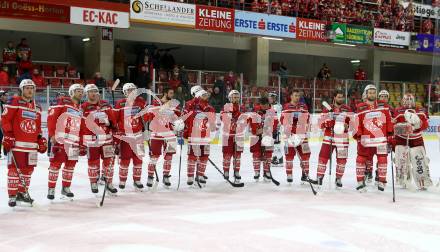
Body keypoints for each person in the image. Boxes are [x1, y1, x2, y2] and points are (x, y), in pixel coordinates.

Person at [2, 79, 47, 207]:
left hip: (32, 146)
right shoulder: (15, 102)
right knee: (14, 170)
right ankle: (12, 195)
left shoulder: (37, 107)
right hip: (17, 145)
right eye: (27, 88)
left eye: (32, 88)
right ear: (21, 89)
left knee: (28, 171)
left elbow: (37, 127)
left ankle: (22, 193)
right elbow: (5, 119)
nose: (29, 90)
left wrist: (40, 139)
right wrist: (8, 135)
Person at [46, 84, 84, 200]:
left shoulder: (79, 108)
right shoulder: (62, 101)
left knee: (70, 166)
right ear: (72, 92)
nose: (81, 93)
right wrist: (52, 134)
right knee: (55, 165)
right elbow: (52, 117)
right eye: (78, 91)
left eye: (82, 91)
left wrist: (81, 142)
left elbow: (81, 127)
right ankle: (51, 189)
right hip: (60, 140)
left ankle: (65, 188)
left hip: (74, 142)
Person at [354, 84, 393, 192]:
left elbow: (388, 120)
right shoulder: (360, 106)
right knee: (361, 159)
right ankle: (360, 181)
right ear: (366, 94)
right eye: (370, 92)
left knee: (382, 159)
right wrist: (359, 136)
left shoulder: (383, 105)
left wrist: (390, 134)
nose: (372, 94)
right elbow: (358, 122)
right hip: (366, 138)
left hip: (380, 138)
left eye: (374, 92)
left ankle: (381, 181)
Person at [80, 84, 118, 195]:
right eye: (91, 91)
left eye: (95, 91)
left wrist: (112, 124)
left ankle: (108, 182)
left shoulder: (105, 105)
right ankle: (93, 182)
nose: (94, 93)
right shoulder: (84, 107)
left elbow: (113, 120)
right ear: (87, 94)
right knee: (93, 162)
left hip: (106, 139)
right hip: (92, 140)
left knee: (108, 161)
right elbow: (81, 125)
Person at [311, 90, 352, 187]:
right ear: (334, 97)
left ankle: (338, 178)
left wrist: (348, 125)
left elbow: (353, 123)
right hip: (329, 137)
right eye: (339, 97)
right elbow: (320, 124)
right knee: (323, 157)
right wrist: (328, 123)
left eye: (342, 97)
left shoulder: (347, 109)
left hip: (342, 139)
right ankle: (319, 177)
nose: (341, 99)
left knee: (342, 159)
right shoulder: (327, 108)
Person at [145, 88, 183, 187]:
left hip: (170, 135)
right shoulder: (155, 103)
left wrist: (179, 123)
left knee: (169, 157)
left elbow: (178, 119)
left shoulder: (174, 105)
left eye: (173, 93)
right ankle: (150, 177)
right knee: (154, 157)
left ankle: (166, 176)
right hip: (157, 135)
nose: (172, 94)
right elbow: (148, 116)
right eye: (171, 92)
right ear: (165, 93)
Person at [393, 93, 432, 190]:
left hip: (416, 139)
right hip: (401, 139)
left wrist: (417, 125)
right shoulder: (397, 110)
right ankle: (403, 180)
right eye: (407, 100)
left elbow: (426, 125)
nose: (409, 102)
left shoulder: (422, 110)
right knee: (401, 160)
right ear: (403, 101)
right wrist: (404, 128)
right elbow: (393, 127)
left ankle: (422, 182)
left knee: (419, 160)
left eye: (411, 100)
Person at [114, 83, 147, 190]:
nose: (132, 92)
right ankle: (122, 180)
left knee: (139, 159)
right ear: (125, 92)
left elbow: (146, 117)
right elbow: (115, 119)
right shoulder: (120, 103)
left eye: (133, 89)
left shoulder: (141, 102)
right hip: (125, 136)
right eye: (129, 90)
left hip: (138, 136)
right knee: (125, 159)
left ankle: (137, 180)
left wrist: (145, 113)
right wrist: (116, 132)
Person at [183, 86, 216, 186]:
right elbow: (184, 117)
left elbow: (213, 124)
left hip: (205, 137)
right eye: (202, 94)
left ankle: (200, 174)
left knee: (204, 157)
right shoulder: (190, 104)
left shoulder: (210, 108)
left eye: (205, 94)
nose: (205, 95)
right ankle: (190, 176)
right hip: (194, 136)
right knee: (192, 157)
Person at [280, 90, 311, 183]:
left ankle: (305, 175)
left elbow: (307, 118)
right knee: (289, 155)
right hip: (290, 135)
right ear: (291, 96)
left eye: (298, 95)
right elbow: (283, 120)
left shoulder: (304, 106)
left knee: (306, 154)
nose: (297, 97)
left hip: (302, 135)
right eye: (295, 95)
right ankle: (289, 174)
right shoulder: (286, 106)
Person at [249, 96, 278, 181]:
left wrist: (265, 130)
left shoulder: (272, 111)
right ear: (260, 104)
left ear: (268, 104)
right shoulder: (255, 110)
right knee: (256, 154)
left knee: (268, 154)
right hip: (256, 136)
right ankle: (256, 172)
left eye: (265, 105)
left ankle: (266, 172)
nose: (264, 106)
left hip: (268, 135)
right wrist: (256, 131)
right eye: (262, 105)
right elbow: (251, 122)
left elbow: (275, 123)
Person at [220, 90, 245, 183]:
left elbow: (245, 118)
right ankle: (226, 171)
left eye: (237, 97)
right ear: (230, 98)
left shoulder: (241, 107)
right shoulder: (226, 107)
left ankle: (236, 171)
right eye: (234, 97)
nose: (236, 99)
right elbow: (223, 117)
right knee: (227, 155)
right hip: (228, 135)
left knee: (237, 155)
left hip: (239, 135)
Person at [0, 90, 8, 159]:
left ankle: (5, 152)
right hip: (1, 123)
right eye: (5, 95)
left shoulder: (4, 104)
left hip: (3, 123)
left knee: (4, 137)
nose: (6, 97)